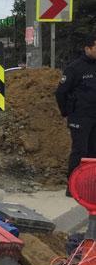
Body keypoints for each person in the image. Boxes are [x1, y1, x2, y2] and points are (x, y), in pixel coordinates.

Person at [55, 34, 96, 195]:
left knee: (93, 153)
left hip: (94, 117)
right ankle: (72, 187)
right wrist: (67, 112)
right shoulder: (75, 68)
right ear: (87, 48)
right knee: (80, 151)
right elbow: (61, 93)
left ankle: (90, 186)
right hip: (80, 117)